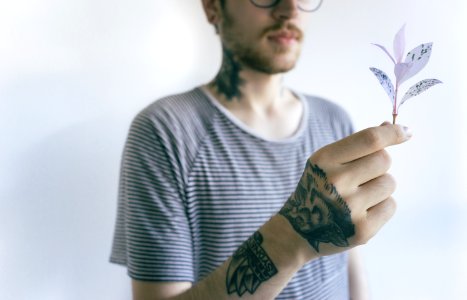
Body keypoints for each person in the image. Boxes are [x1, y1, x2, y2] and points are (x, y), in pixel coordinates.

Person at [110, 0, 412, 299]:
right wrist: (293, 236)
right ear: (213, 7)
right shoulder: (164, 131)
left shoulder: (334, 119)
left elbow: (348, 267)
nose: (290, 9)